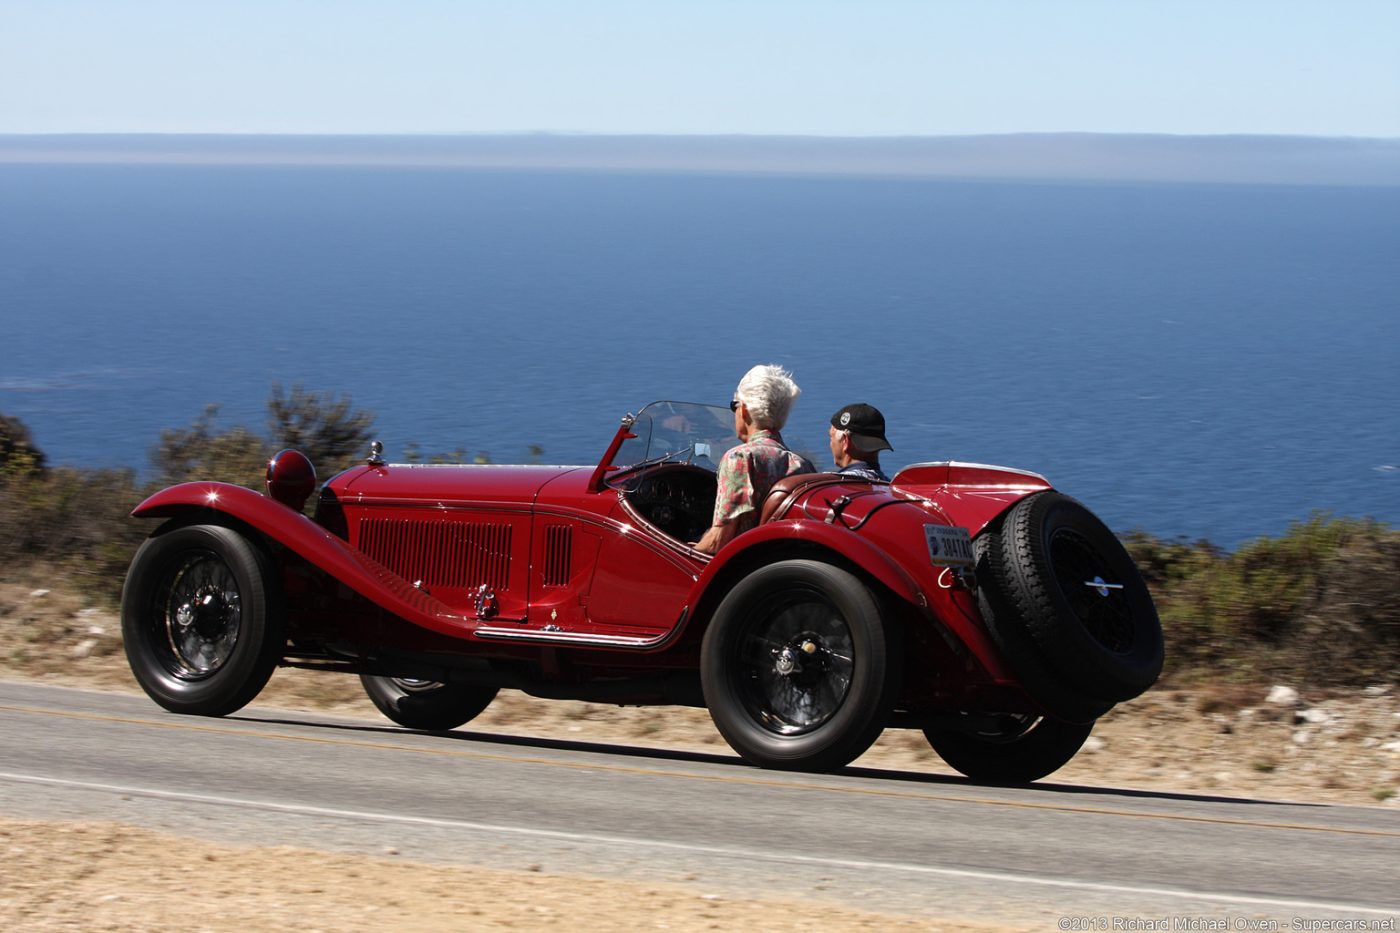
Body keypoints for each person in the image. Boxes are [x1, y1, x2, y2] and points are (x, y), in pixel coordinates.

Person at [693, 364, 814, 554]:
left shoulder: (740, 458)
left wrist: (688, 549)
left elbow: (718, 541)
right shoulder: (803, 465)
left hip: (740, 565)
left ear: (744, 410)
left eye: (734, 406)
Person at [828, 402, 892, 481]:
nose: (830, 445)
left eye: (831, 437)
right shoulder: (892, 485)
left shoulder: (833, 484)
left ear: (845, 441)